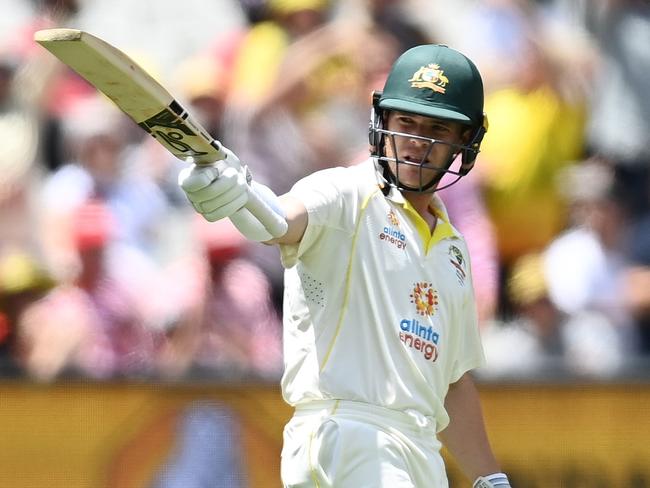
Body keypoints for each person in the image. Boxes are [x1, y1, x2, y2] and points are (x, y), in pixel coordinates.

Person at [179, 44, 510, 488]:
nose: (417, 141)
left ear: (464, 143)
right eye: (406, 122)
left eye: (437, 128)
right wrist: (236, 196)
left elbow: (451, 381)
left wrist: (490, 478)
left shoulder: (454, 250)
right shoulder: (347, 192)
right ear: (382, 124)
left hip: (418, 450)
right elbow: (279, 220)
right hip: (347, 435)